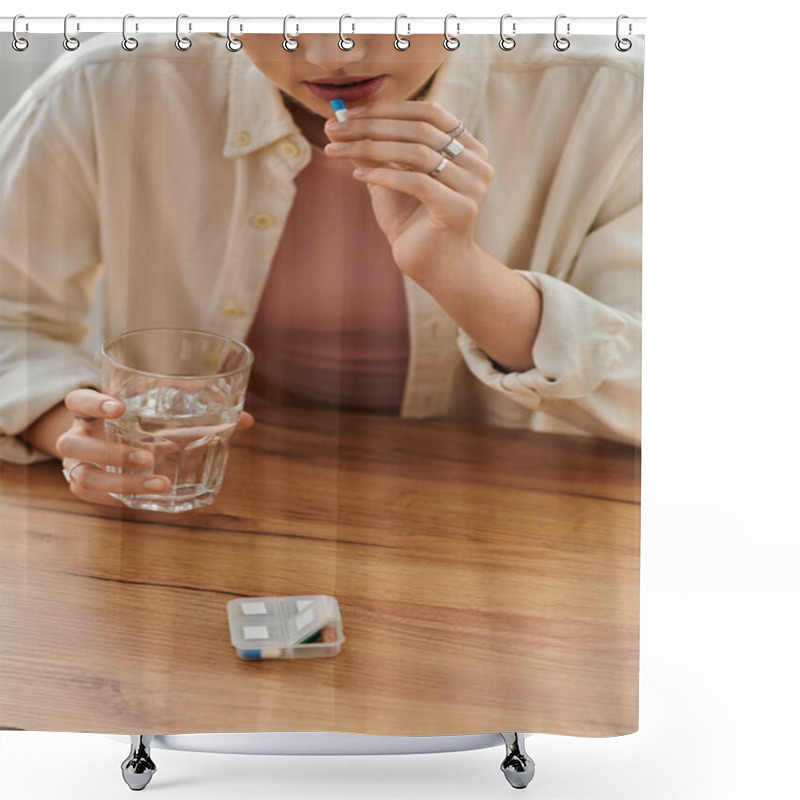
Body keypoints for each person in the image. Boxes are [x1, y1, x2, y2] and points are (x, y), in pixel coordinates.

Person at [0, 31, 642, 509]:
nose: (333, 52)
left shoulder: (614, 96)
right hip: (206, 508)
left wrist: (460, 271)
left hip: (509, 519)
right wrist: (78, 429)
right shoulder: (108, 86)